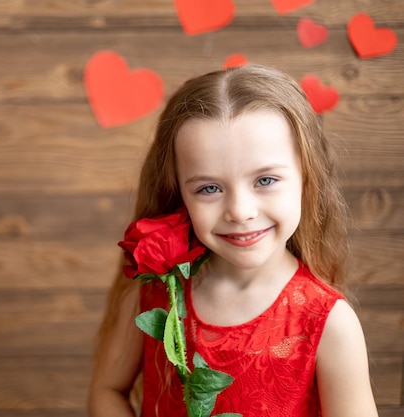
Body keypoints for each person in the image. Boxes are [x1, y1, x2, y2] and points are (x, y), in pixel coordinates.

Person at [87, 64, 378, 417]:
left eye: (266, 180)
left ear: (307, 177)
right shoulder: (155, 294)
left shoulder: (329, 323)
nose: (240, 211)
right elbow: (107, 390)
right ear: (178, 194)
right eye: (209, 188)